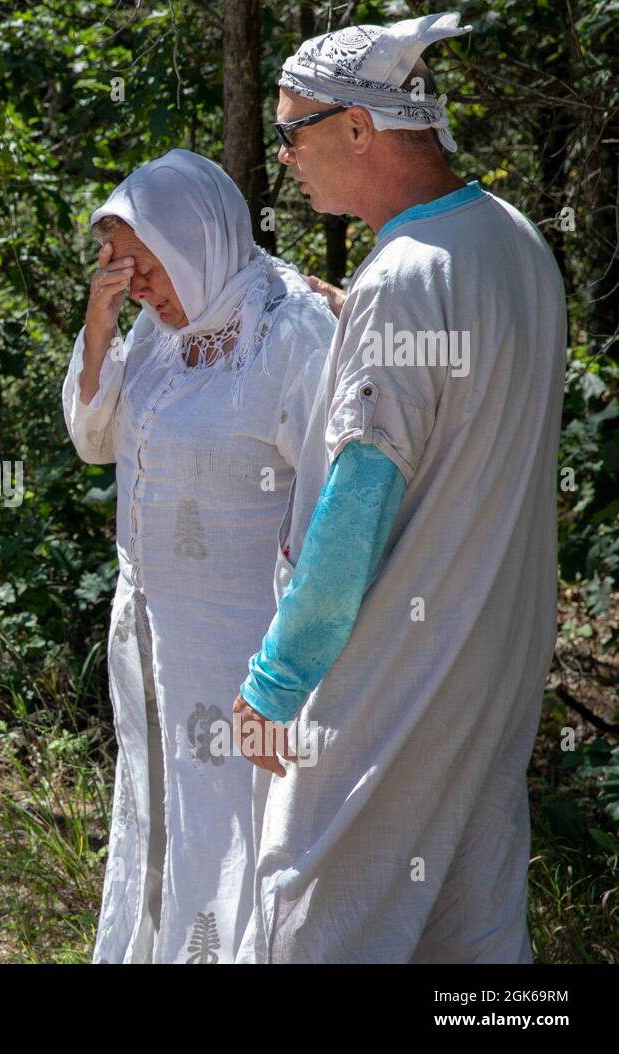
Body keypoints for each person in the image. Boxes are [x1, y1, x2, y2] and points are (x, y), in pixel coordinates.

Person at [231, 12, 567, 962]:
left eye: (293, 132)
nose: (285, 158)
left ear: (359, 128)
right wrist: (362, 328)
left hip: (397, 672)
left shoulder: (405, 280)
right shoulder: (516, 243)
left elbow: (357, 506)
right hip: (495, 667)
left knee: (312, 919)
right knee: (474, 935)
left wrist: (276, 680)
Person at [61, 150, 337, 962]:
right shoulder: (157, 332)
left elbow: (331, 505)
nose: (137, 286)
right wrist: (100, 326)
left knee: (234, 829)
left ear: (196, 242)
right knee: (158, 814)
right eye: (120, 269)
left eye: (144, 267)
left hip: (244, 650)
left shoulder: (288, 331)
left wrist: (295, 663)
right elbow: (93, 441)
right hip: (151, 641)